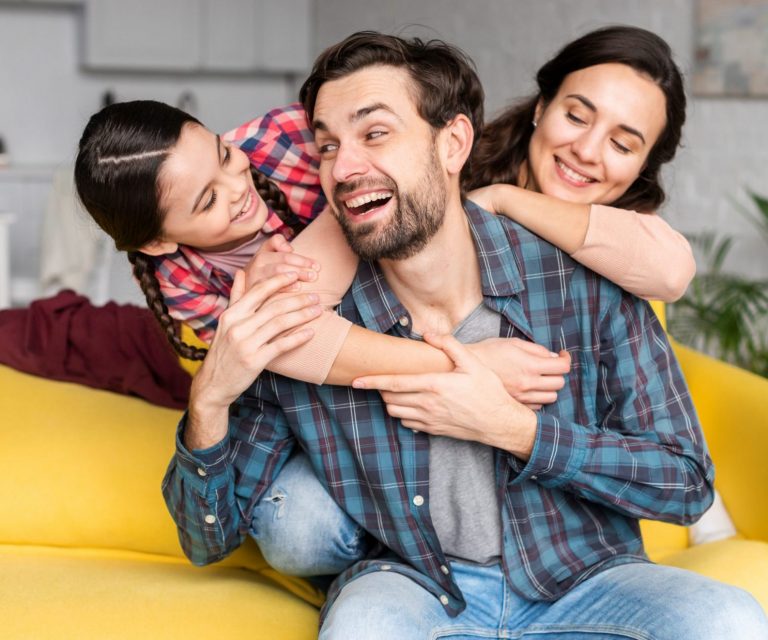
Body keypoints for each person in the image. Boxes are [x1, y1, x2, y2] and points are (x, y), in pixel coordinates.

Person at [162, 28, 768, 638]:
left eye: (375, 133)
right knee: (348, 605)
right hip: (419, 583)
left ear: (453, 143)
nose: (344, 166)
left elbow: (686, 481)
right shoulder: (311, 310)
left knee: (730, 618)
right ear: (541, 111)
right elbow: (207, 536)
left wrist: (514, 430)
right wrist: (208, 398)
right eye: (326, 147)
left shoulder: (593, 272)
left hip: (582, 578)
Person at [74, 21, 696, 580]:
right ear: (538, 110)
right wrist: (465, 367)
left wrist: (504, 203)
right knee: (300, 524)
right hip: (360, 403)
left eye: (623, 143)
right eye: (577, 116)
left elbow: (669, 275)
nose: (587, 151)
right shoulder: (414, 172)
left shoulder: (602, 262)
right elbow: (284, 328)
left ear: (643, 165)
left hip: (568, 495)